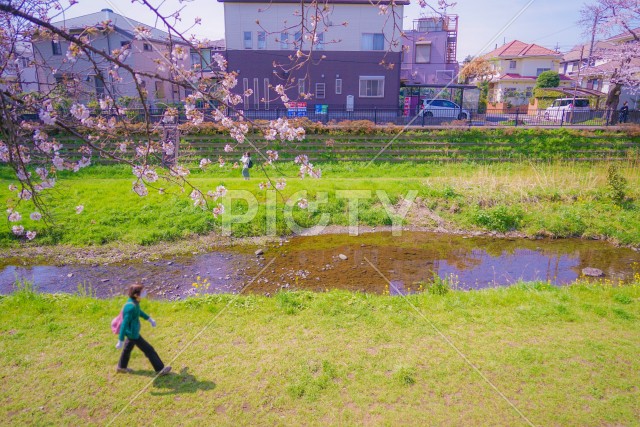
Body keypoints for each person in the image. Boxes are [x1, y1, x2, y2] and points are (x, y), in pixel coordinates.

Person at [116, 284, 171, 375]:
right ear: (136, 295)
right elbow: (124, 325)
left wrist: (149, 319)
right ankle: (160, 369)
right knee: (149, 350)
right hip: (133, 334)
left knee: (127, 349)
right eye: (143, 292)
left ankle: (121, 367)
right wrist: (120, 340)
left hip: (132, 332)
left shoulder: (134, 302)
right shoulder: (131, 307)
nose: (145, 293)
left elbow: (139, 312)